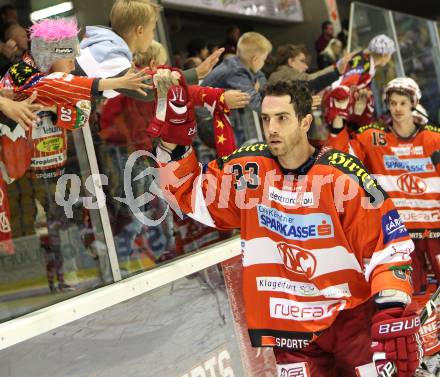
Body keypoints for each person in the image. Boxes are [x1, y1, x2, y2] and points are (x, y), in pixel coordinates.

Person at [154, 76, 422, 376]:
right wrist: (172, 137)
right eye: (266, 119)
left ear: (305, 121)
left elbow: (388, 246)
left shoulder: (342, 176)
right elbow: (190, 193)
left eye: (282, 118)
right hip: (290, 330)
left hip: (351, 320)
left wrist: (391, 307)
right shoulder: (248, 172)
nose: (272, 128)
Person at [327, 77, 440, 295]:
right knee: (409, 295)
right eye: (393, 103)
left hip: (435, 230)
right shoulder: (373, 137)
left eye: (403, 103)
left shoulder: (433, 138)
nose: (397, 108)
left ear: (414, 104)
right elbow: (340, 156)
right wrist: (340, 118)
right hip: (398, 233)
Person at [75, 0, 223, 99]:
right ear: (140, 31)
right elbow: (147, 90)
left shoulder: (104, 46)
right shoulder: (109, 55)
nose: (153, 36)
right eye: (152, 30)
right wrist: (195, 74)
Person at [202, 32, 272, 145]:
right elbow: (255, 103)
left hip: (223, 118)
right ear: (255, 60)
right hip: (207, 124)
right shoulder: (236, 71)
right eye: (263, 59)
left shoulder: (243, 64)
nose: (264, 63)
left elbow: (263, 84)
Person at [323, 34, 396, 129]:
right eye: (390, 54)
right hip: (334, 107)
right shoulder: (365, 65)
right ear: (384, 54)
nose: (390, 58)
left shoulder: (365, 59)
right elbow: (343, 87)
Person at [268, 43, 352, 93]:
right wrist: (337, 67)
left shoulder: (279, 74)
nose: (306, 66)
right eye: (302, 61)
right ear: (291, 62)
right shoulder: (285, 74)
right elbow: (310, 79)